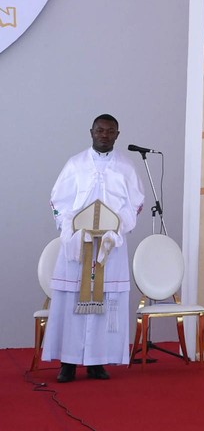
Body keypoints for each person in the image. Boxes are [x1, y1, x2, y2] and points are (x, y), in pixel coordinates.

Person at [41, 114, 145, 382]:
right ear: (91, 131)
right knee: (72, 303)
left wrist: (117, 227)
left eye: (110, 131)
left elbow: (135, 202)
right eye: (100, 130)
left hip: (110, 245)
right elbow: (58, 201)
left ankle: (98, 361)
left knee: (106, 302)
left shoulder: (126, 166)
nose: (104, 135)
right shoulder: (76, 164)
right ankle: (68, 362)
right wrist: (71, 229)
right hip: (79, 245)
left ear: (117, 135)